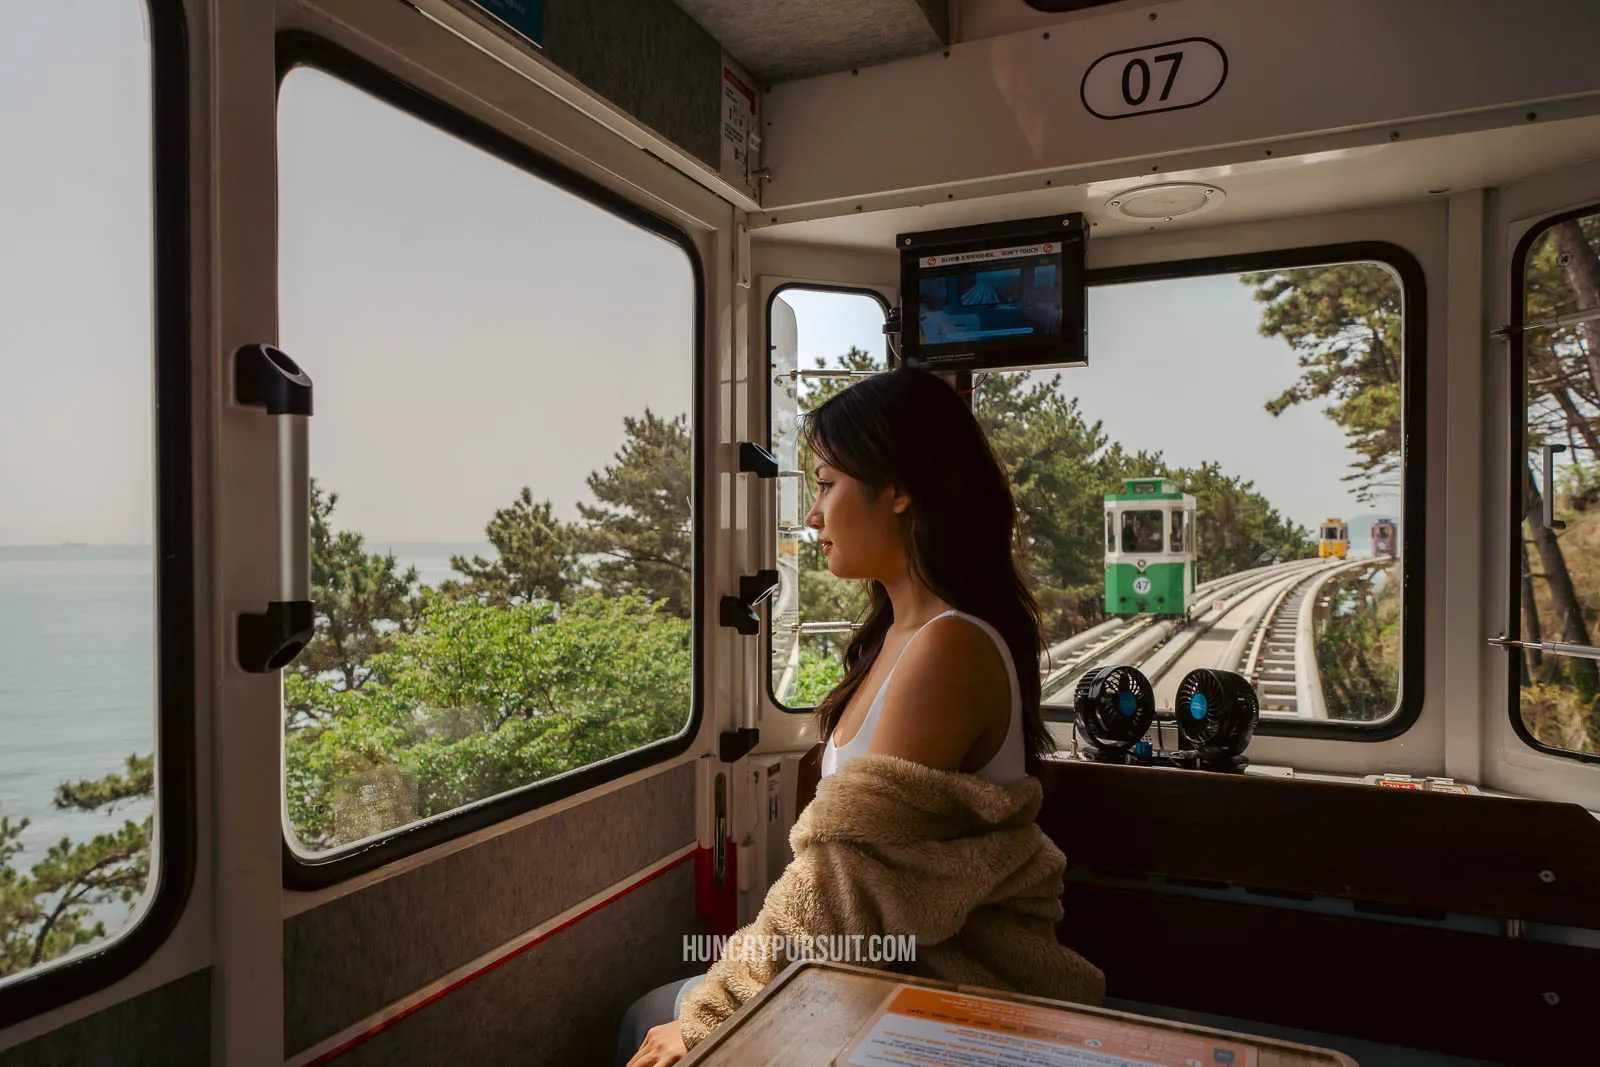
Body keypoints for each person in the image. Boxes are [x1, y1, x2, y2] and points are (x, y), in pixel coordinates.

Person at [620, 369, 1103, 1067]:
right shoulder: (895, 637)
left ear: (899, 488)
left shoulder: (948, 646)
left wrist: (709, 1015)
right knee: (646, 1012)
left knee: (654, 1020)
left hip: (936, 979)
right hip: (876, 964)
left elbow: (845, 885)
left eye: (825, 483)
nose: (812, 514)